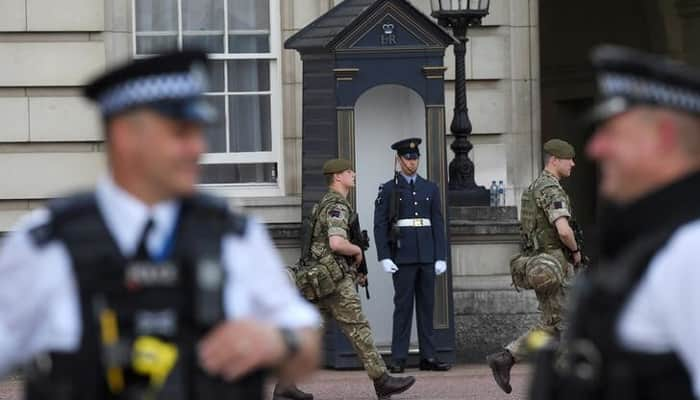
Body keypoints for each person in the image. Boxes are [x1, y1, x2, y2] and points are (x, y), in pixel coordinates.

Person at [0, 51, 321, 399]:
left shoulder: (234, 236)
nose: (197, 148)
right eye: (180, 132)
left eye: (200, 132)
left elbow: (307, 340)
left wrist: (278, 342)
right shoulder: (48, 245)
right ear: (125, 135)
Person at [530, 45, 700, 400]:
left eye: (612, 131)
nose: (596, 148)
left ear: (664, 137)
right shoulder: (645, 242)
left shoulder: (690, 251)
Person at [277, 159, 416, 400]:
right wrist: (357, 251)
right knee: (359, 328)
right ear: (337, 177)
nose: (354, 174)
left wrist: (357, 269)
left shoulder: (323, 203)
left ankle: (284, 386)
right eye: (349, 171)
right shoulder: (337, 205)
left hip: (320, 280)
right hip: (334, 281)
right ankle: (382, 380)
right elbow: (336, 243)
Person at [486, 139, 583, 394]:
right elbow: (563, 230)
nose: (573, 163)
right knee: (566, 326)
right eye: (569, 158)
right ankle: (563, 387)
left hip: (542, 264)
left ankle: (507, 357)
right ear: (554, 159)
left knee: (551, 326)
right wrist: (575, 251)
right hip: (554, 265)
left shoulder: (533, 188)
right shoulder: (551, 189)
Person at [373, 138, 450, 374]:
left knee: (427, 307)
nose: (412, 163)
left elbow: (437, 222)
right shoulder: (389, 188)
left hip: (426, 255)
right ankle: (398, 358)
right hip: (403, 255)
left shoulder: (430, 188)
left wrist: (440, 255)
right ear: (399, 160)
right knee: (403, 307)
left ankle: (428, 356)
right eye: (407, 158)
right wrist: (384, 255)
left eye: (415, 158)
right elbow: (380, 224)